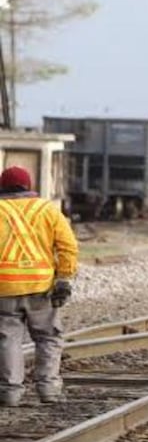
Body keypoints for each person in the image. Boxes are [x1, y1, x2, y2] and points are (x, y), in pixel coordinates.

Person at [0, 166, 78, 406]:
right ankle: (48, 389)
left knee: (7, 339)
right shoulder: (47, 209)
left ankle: (10, 392)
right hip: (41, 287)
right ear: (28, 185)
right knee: (48, 337)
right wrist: (64, 277)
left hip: (4, 288)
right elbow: (68, 246)